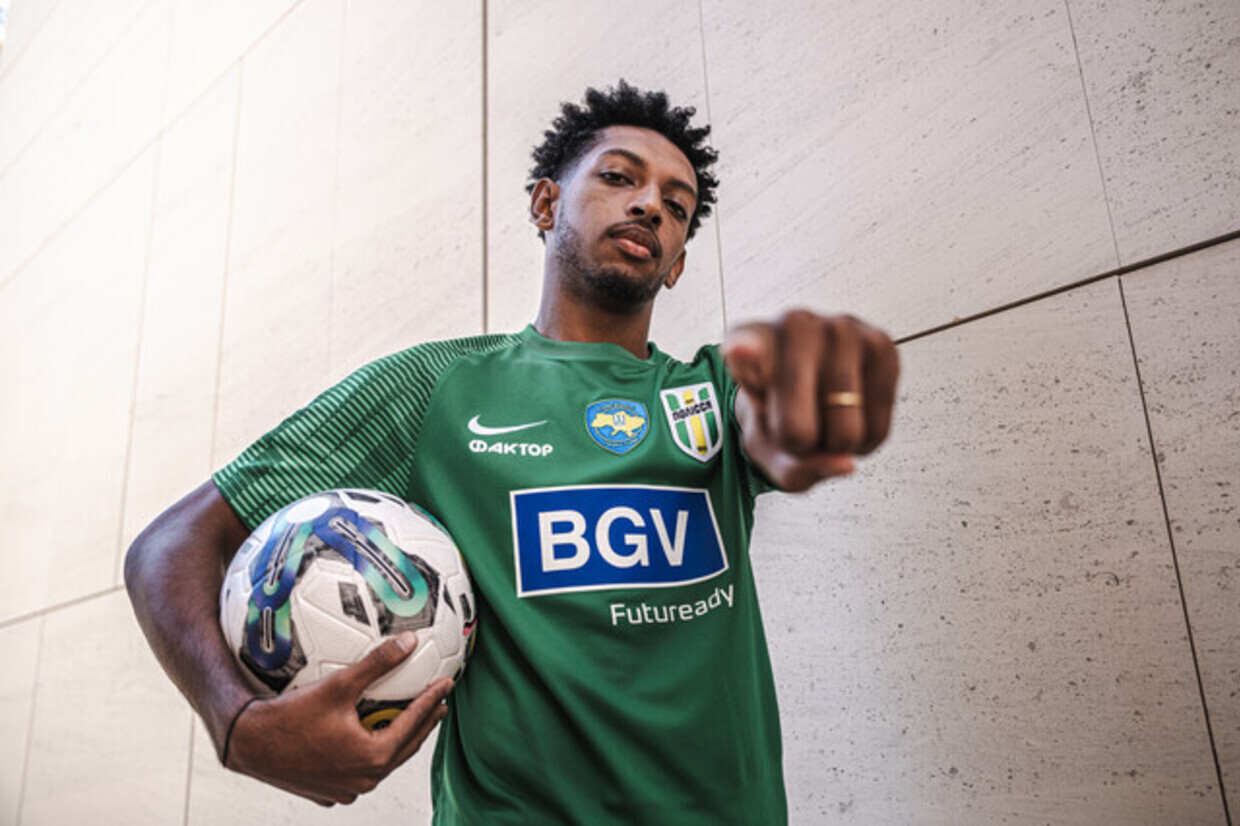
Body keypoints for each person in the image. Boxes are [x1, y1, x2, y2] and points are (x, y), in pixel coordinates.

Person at [125, 80, 899, 824]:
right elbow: (171, 545)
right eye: (620, 177)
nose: (648, 206)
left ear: (677, 265)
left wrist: (816, 410)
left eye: (676, 206)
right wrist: (238, 724)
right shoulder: (435, 388)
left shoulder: (712, 391)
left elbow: (778, 425)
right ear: (546, 203)